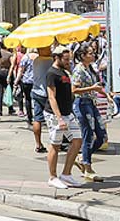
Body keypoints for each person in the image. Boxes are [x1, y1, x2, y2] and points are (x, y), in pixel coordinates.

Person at [45, 46, 84, 190]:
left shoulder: (64, 71)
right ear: (57, 58)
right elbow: (51, 97)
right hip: (56, 115)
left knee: (77, 140)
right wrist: (59, 118)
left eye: (70, 59)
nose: (69, 62)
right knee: (55, 145)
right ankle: (52, 177)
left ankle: (66, 174)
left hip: (68, 113)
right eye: (66, 59)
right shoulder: (52, 74)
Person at [72, 43, 107, 182]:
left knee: (102, 135)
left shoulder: (90, 68)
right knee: (88, 135)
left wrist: (105, 94)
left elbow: (95, 87)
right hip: (82, 104)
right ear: (82, 56)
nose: (93, 55)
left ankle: (83, 157)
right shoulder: (79, 70)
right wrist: (92, 88)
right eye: (90, 53)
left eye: (93, 53)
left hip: (92, 103)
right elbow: (74, 90)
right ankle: (87, 167)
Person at [30, 46, 53, 153]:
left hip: (36, 91)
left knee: (37, 119)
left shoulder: (36, 60)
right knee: (54, 118)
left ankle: (38, 143)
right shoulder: (51, 60)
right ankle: (56, 141)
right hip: (48, 93)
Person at [15, 46, 35, 126]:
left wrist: (16, 81)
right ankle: (38, 116)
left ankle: (30, 117)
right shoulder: (39, 58)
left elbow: (21, 70)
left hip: (26, 81)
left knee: (28, 99)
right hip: (37, 81)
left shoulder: (25, 57)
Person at [0, 40, 14, 117]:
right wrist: (9, 75)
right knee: (9, 90)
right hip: (7, 71)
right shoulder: (9, 54)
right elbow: (12, 65)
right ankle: (10, 108)